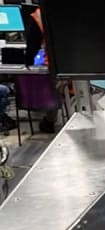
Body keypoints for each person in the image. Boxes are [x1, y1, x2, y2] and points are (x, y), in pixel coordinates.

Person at [24, 6, 58, 134]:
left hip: (54, 64)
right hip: (75, 60)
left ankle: (49, 120)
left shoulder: (39, 14)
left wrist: (27, 64)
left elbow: (32, 45)